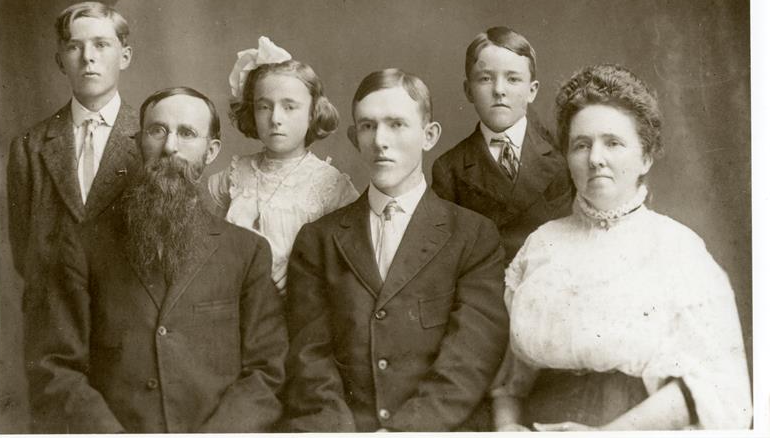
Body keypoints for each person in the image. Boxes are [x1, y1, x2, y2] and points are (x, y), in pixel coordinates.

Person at [491, 64, 752, 431]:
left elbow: (713, 389)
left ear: (645, 158)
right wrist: (507, 428)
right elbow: (510, 383)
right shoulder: (540, 245)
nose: (595, 158)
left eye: (613, 143)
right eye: (581, 145)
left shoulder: (679, 249)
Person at [25, 87, 288, 433]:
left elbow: (267, 372)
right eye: (157, 130)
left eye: (187, 133)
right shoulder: (83, 246)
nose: (169, 147)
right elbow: (55, 368)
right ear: (139, 142)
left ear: (211, 151)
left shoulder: (246, 252)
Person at [284, 68, 508, 431]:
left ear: (429, 135)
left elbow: (471, 358)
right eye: (368, 126)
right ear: (355, 138)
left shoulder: (473, 236)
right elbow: (309, 360)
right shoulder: (318, 240)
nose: (380, 141)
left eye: (397, 124)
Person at [208, 36, 358, 294]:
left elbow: (351, 260)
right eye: (264, 107)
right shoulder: (234, 176)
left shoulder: (330, 185)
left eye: (289, 107)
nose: (275, 118)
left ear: (312, 113)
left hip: (300, 304)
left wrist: (305, 269)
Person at [7, 1, 140, 280]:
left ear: (125, 57)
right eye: (74, 47)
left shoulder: (149, 136)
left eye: (101, 44)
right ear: (60, 62)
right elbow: (24, 253)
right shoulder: (29, 146)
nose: (88, 57)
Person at [432, 26, 572, 265]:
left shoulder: (561, 153)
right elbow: (444, 257)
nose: (499, 90)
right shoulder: (449, 169)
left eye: (513, 79)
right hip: (481, 285)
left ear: (532, 90)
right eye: (485, 79)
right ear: (468, 91)